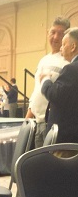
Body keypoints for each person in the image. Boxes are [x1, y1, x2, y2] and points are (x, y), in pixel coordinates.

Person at [26, 16, 70, 147]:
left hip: (51, 124)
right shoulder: (44, 60)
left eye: (61, 34)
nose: (56, 37)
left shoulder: (67, 62)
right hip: (37, 122)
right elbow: (37, 91)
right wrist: (29, 114)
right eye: (53, 32)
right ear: (48, 33)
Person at [40, 27, 78, 142]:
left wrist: (46, 79)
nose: (61, 48)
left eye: (64, 44)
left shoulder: (71, 69)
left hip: (66, 138)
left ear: (73, 47)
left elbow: (55, 94)